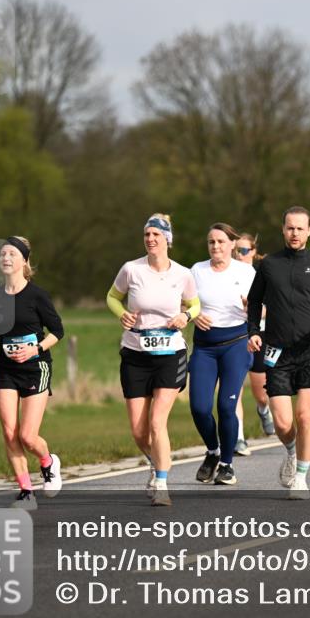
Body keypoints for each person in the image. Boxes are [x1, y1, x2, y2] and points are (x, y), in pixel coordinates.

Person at [246, 206, 310, 500]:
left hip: (309, 351)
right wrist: (253, 331)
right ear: (283, 229)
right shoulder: (269, 266)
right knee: (282, 423)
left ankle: (301, 477)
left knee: (305, 416)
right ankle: (291, 450)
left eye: (300, 228)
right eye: (290, 228)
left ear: (309, 230)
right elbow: (254, 302)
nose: (295, 233)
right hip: (276, 352)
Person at [107, 214, 199, 506]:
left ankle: (161, 482)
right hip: (135, 353)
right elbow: (112, 297)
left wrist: (185, 316)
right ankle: (156, 461)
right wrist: (120, 313)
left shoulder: (182, 274)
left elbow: (195, 304)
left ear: (167, 240)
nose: (150, 240)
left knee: (158, 423)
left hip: (170, 353)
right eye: (147, 235)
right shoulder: (131, 270)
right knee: (138, 430)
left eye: (156, 235)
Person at [0, 237, 65, 509]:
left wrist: (35, 349)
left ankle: (48, 461)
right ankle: (26, 491)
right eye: (3, 253)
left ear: (24, 261)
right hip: (6, 368)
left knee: (28, 436)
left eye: (12, 254)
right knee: (9, 433)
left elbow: (58, 332)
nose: (6, 257)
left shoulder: (37, 295)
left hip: (35, 367)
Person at [189, 223, 257, 485]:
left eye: (220, 241)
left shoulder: (246, 271)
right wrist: (194, 316)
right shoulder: (197, 270)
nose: (215, 246)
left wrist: (252, 308)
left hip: (236, 344)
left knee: (227, 406)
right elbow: (185, 303)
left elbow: (263, 310)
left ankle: (227, 465)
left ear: (232, 245)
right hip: (205, 347)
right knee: (199, 407)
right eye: (211, 242)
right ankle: (213, 451)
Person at [235, 233, 273, 447]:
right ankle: (238, 437)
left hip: (259, 335)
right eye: (236, 251)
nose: (239, 255)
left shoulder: (262, 275)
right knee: (234, 388)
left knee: (261, 393)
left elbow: (271, 308)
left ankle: (263, 409)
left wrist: (253, 311)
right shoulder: (225, 274)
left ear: (254, 252)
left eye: (244, 250)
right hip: (235, 336)